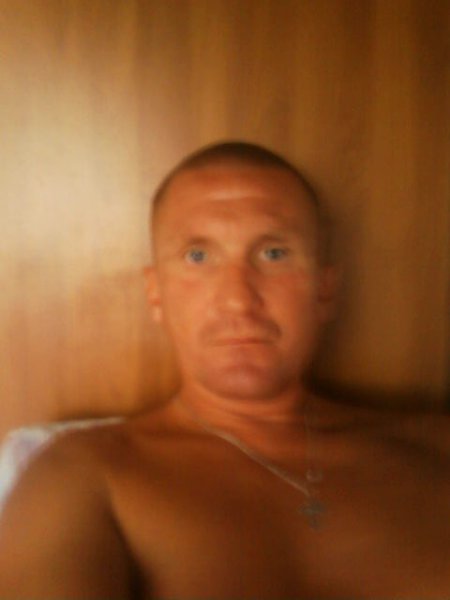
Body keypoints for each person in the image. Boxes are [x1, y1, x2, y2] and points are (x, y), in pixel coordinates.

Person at [0, 141, 449, 599]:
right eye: (198, 256)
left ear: (324, 291)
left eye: (274, 254)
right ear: (156, 294)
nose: (238, 299)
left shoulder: (434, 449)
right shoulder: (83, 475)